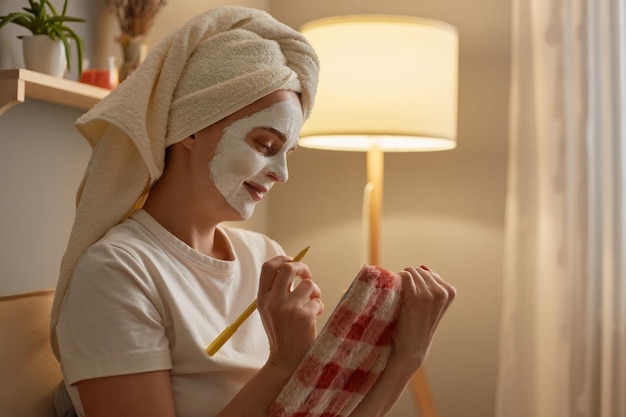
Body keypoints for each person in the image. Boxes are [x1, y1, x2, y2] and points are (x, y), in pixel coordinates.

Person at [51, 6, 456, 417]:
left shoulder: (263, 256)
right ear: (191, 125)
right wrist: (283, 362)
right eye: (265, 145)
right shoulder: (119, 271)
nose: (280, 174)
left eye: (288, 153)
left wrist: (407, 357)